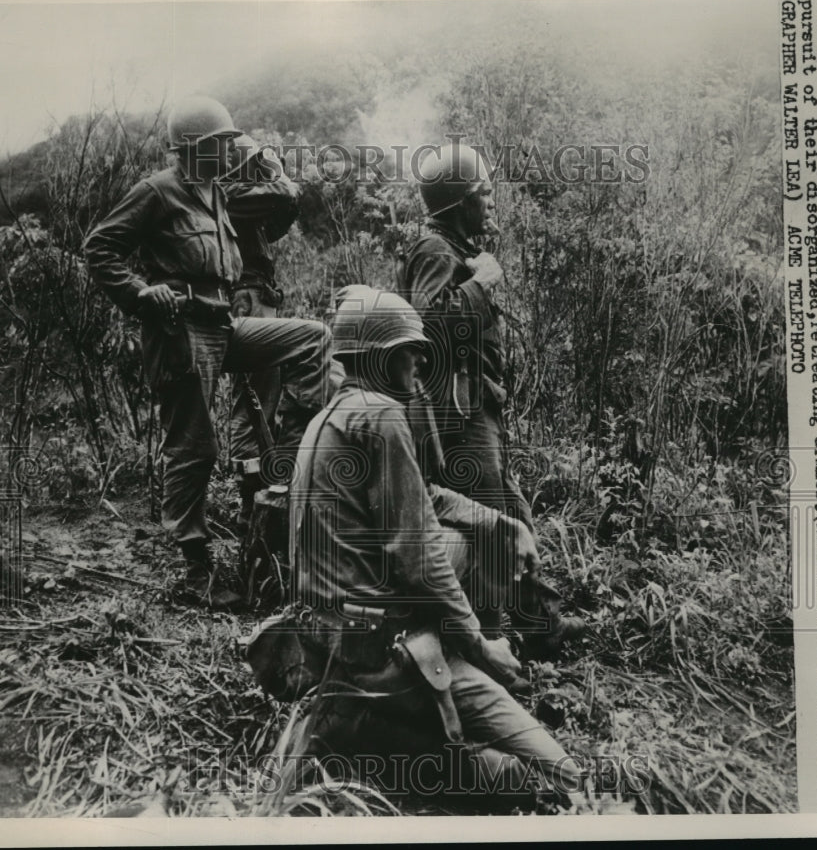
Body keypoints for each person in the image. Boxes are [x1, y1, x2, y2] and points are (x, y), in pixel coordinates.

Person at [254, 286, 584, 805]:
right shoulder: (381, 416)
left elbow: (421, 496)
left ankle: (376, 727)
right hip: (383, 654)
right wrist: (481, 646)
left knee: (475, 538)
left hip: (337, 642)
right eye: (410, 351)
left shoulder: (332, 416)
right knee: (552, 778)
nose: (420, 363)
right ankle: (373, 729)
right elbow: (420, 555)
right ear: (382, 358)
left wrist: (500, 522)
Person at [84, 96, 329, 609]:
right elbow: (100, 248)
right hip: (181, 330)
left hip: (222, 324)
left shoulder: (215, 191)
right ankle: (196, 570)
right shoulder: (157, 191)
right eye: (223, 143)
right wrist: (140, 293)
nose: (231, 151)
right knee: (195, 448)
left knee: (311, 338)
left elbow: (272, 214)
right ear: (196, 147)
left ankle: (289, 457)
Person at [396, 142, 584, 658]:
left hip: (475, 405)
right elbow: (426, 328)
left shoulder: (452, 249)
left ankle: (539, 625)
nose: (491, 201)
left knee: (509, 511)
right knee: (489, 521)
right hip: (457, 413)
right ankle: (492, 644)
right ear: (459, 203)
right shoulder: (436, 251)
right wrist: (481, 284)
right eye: (482, 193)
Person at [221, 135, 301, 535]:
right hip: (247, 298)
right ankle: (249, 498)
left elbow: (286, 211)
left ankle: (255, 493)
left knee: (262, 394)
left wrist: (275, 176)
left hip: (258, 296)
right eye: (256, 165)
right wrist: (275, 171)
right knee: (251, 397)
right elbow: (285, 194)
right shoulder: (230, 194)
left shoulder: (248, 202)